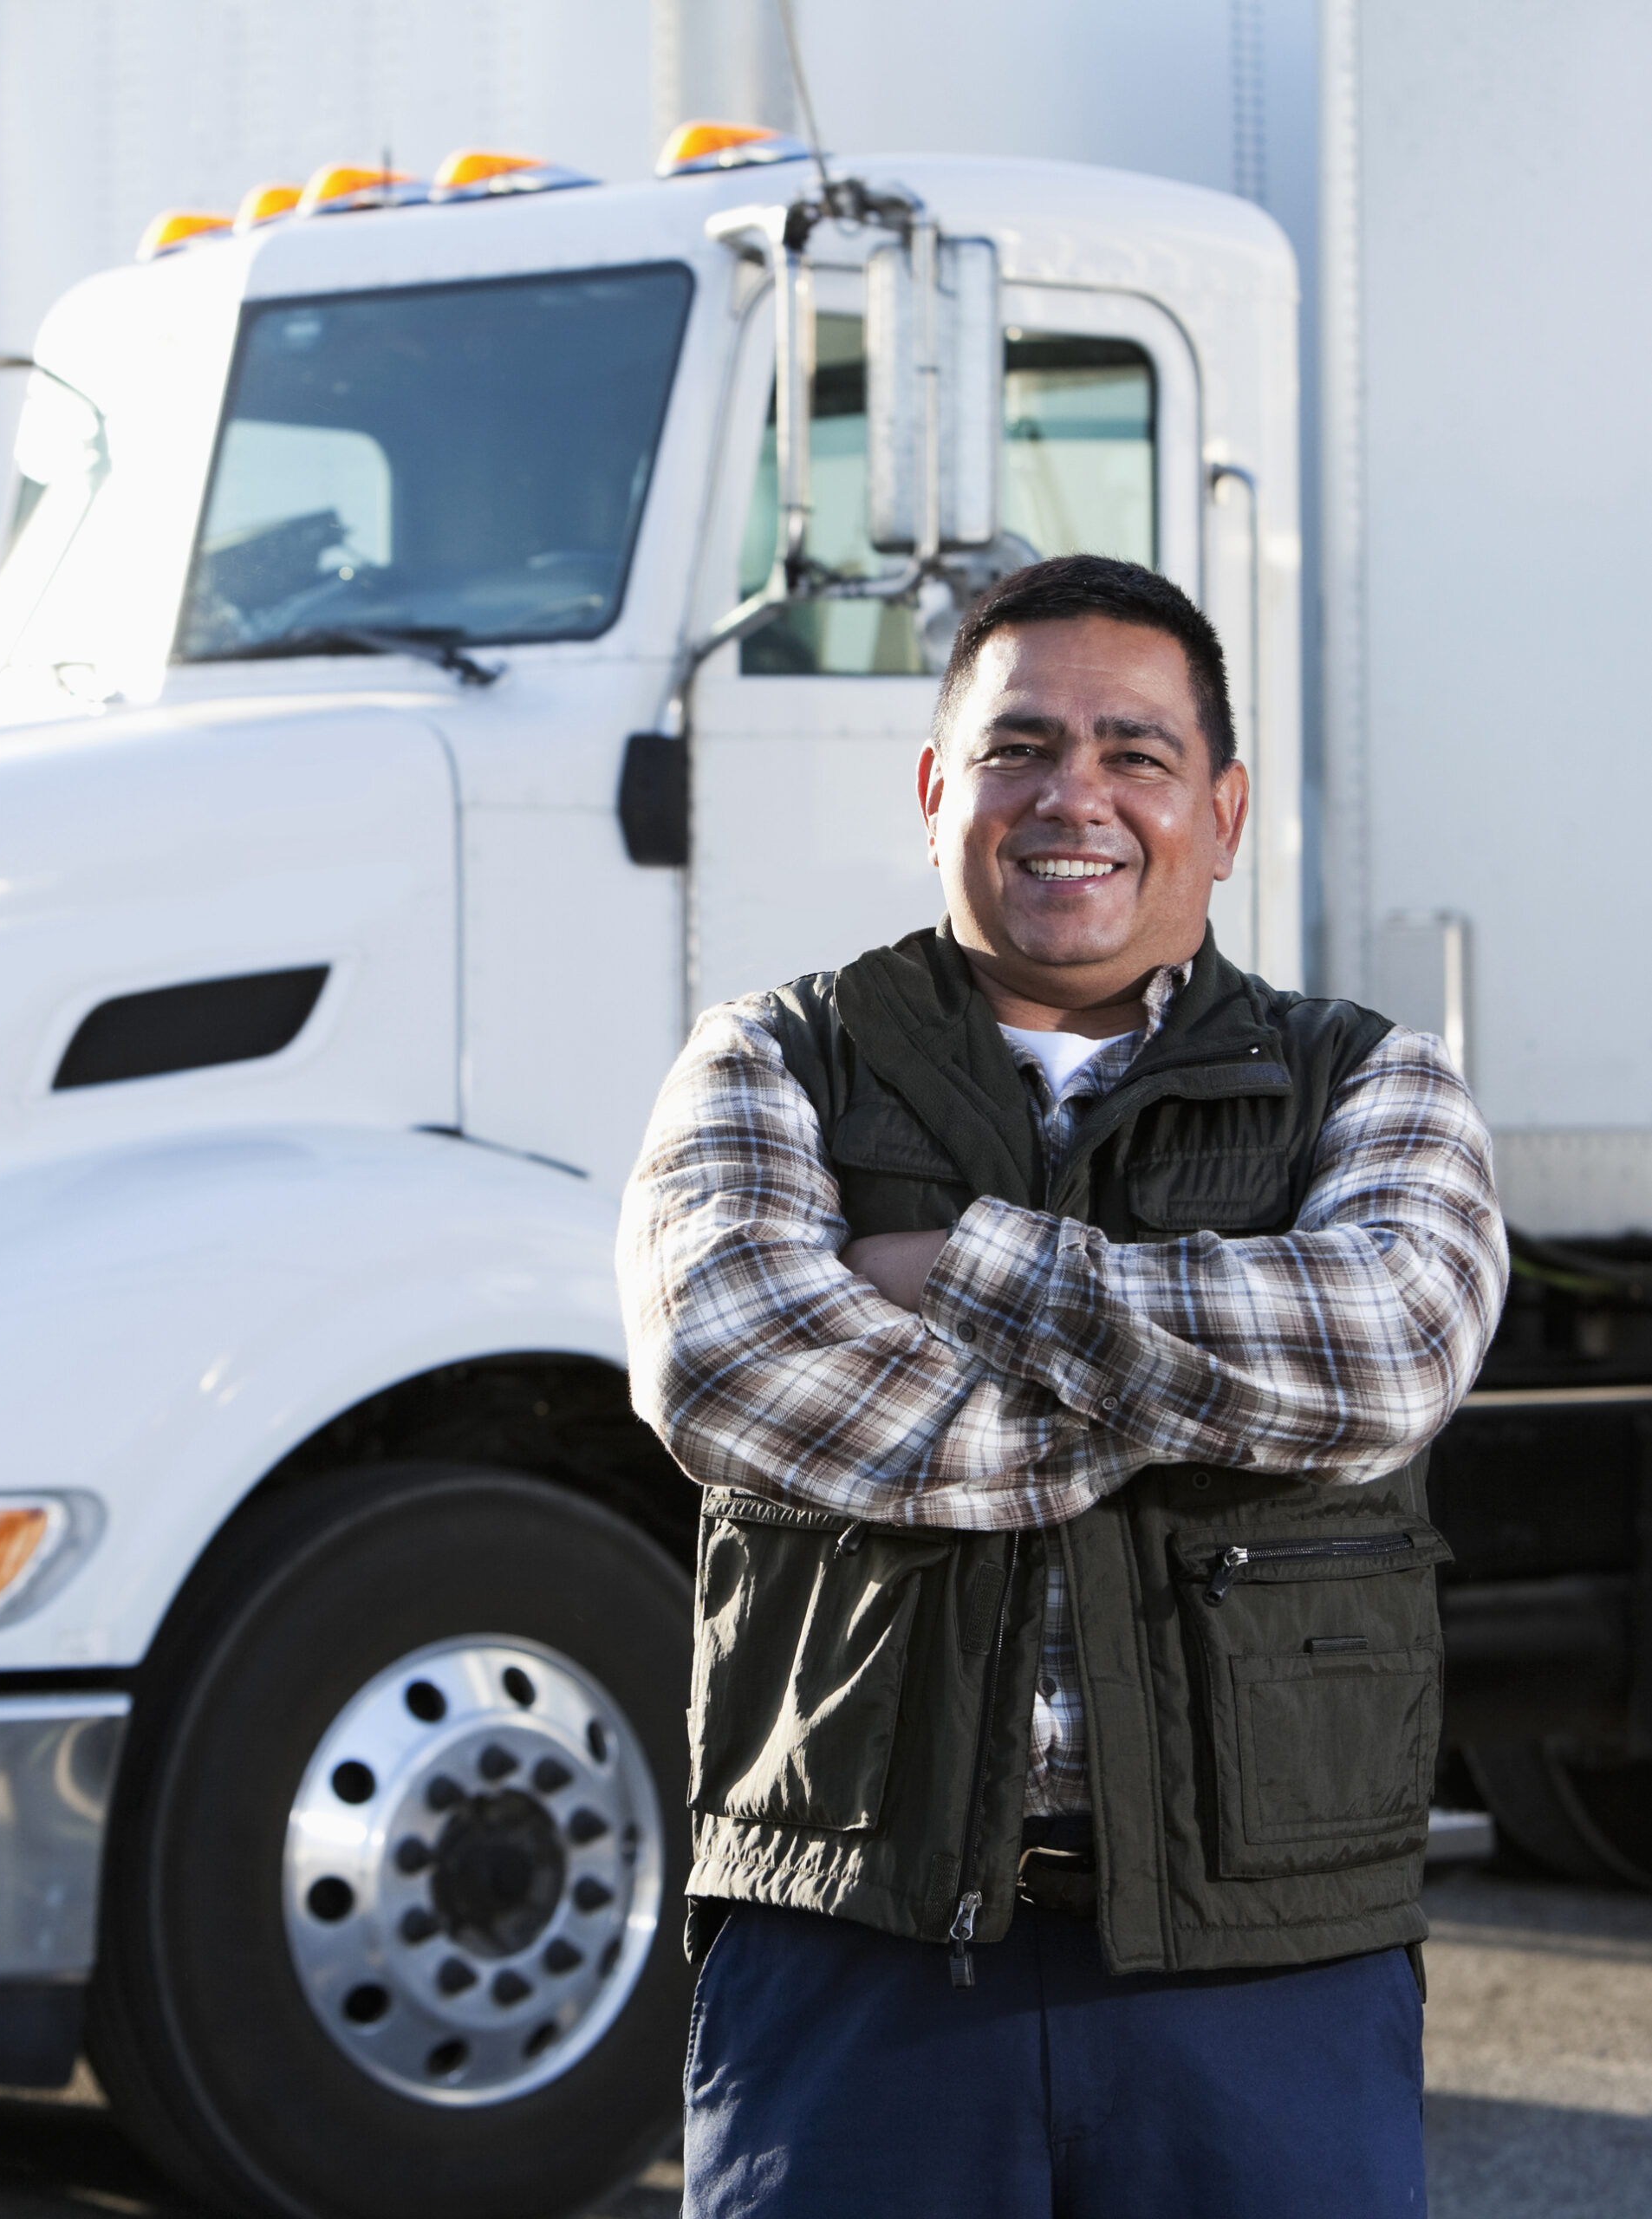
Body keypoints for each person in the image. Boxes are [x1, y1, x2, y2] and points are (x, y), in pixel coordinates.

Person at [615, 554, 1507, 2218]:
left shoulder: (1368, 1080)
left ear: (1221, 812)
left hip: (1263, 1967)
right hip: (852, 1949)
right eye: (1018, 747)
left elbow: (1379, 1353)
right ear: (936, 787)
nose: (1070, 796)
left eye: (1135, 753)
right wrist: (1197, 1401)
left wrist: (962, 1267)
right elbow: (732, 1368)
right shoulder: (769, 1057)